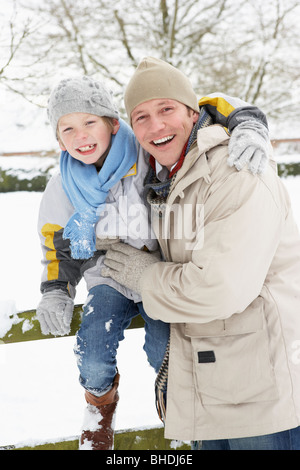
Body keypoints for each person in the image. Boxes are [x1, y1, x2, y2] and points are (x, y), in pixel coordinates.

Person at [37, 73, 270, 450]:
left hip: (159, 271)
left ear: (114, 124)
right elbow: (57, 243)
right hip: (108, 276)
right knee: (94, 348)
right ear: (58, 138)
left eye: (89, 122)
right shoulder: (63, 184)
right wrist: (55, 291)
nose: (80, 136)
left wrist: (249, 125)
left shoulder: (146, 153)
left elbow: (203, 107)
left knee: (164, 348)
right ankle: (100, 409)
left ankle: (177, 412)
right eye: (67, 129)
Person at [102, 57, 300, 450]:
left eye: (166, 109)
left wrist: (145, 276)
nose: (155, 126)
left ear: (193, 114)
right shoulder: (166, 177)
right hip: (208, 387)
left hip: (260, 391)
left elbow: (219, 288)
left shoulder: (236, 169)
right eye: (141, 116)